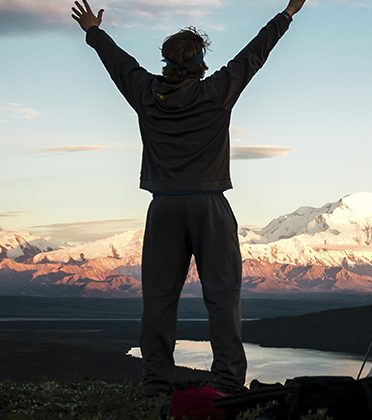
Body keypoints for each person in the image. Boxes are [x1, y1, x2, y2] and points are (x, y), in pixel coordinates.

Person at [71, 0, 307, 397]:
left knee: (159, 300)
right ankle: (228, 384)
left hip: (163, 207)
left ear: (166, 62)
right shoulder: (217, 92)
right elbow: (254, 55)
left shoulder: (146, 94)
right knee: (223, 297)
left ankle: (155, 382)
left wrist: (94, 31)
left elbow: (119, 63)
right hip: (209, 205)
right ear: (200, 63)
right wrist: (287, 13)